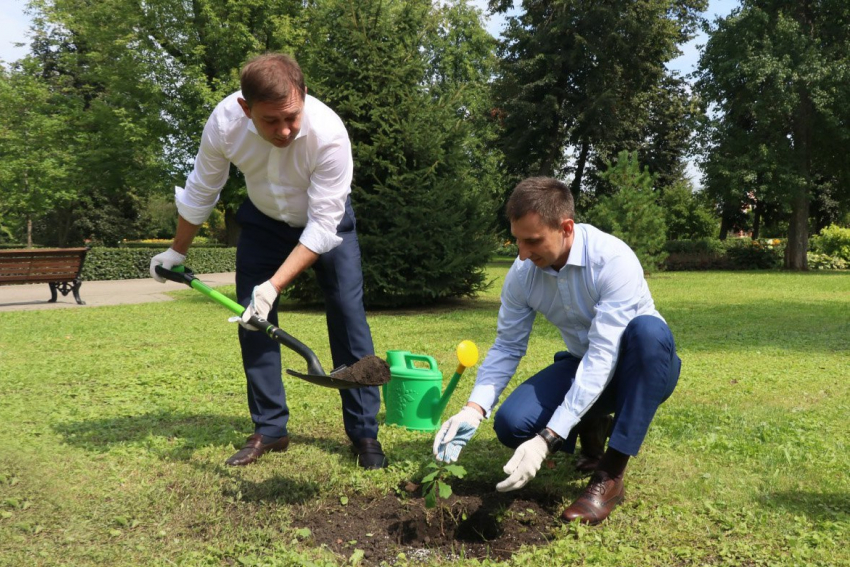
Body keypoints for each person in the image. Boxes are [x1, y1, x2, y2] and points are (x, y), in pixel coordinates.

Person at [150, 53, 387, 470]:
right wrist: (177, 252)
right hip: (262, 222)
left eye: (291, 117)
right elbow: (203, 189)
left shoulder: (329, 133)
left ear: (305, 96)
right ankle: (271, 429)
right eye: (270, 121)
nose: (284, 130)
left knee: (349, 317)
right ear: (245, 109)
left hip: (326, 227)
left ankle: (364, 434)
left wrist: (273, 285)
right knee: (252, 322)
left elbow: (321, 227)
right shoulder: (225, 122)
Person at [432, 177, 680, 524]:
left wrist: (549, 435)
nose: (522, 253)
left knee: (648, 332)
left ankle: (610, 475)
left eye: (532, 241)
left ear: (565, 227)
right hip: (584, 363)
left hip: (646, 368)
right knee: (512, 424)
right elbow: (507, 344)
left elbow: (604, 355)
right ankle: (591, 422)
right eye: (517, 240)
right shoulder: (523, 273)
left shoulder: (612, 260)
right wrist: (474, 409)